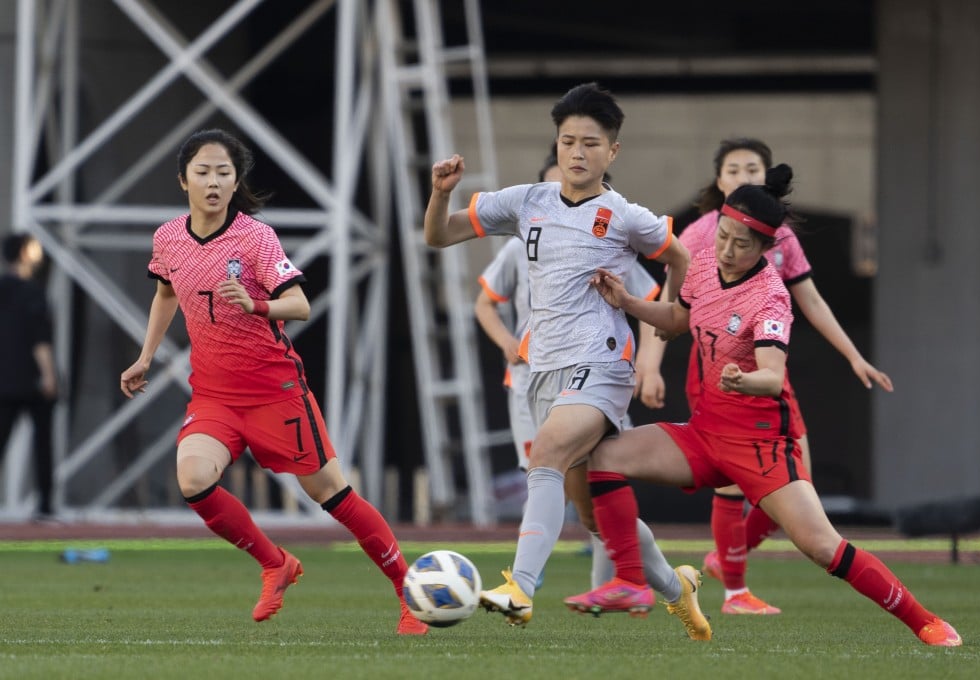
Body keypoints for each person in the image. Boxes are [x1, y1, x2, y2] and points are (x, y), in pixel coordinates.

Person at [566, 166, 961, 647]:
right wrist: (627, 300)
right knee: (601, 458)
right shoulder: (704, 265)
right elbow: (674, 319)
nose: (727, 251)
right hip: (704, 433)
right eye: (724, 237)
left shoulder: (772, 298)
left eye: (741, 244)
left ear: (766, 248)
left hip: (759, 446)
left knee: (821, 546)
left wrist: (744, 379)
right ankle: (631, 583)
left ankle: (925, 621)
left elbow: (773, 379)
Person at [426, 82, 710, 640]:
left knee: (548, 453)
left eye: (590, 143)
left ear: (613, 152)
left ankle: (520, 589)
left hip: (601, 365)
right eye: (567, 141)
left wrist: (674, 316)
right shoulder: (527, 201)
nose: (577, 153)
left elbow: (680, 255)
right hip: (542, 372)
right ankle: (680, 590)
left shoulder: (624, 215)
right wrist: (440, 194)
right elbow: (439, 237)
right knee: (592, 513)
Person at [119, 128, 428, 635]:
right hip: (215, 394)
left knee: (333, 495)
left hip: (275, 393)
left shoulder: (256, 238)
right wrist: (145, 356)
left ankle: (407, 591)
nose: (214, 182)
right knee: (194, 479)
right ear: (183, 180)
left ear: (236, 180)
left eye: (224, 172)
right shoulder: (168, 237)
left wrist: (257, 304)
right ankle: (274, 563)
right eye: (203, 172)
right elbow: (166, 294)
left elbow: (300, 305)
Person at [638, 137, 894, 615]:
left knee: (800, 486)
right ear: (719, 181)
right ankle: (735, 590)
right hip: (719, 369)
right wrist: (648, 365)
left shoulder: (778, 238)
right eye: (733, 169)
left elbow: (811, 301)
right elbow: (669, 307)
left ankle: (725, 560)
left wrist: (854, 356)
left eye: (753, 169)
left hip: (768, 371)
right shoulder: (699, 235)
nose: (743, 177)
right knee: (733, 479)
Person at [474, 147, 662, 588]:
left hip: (594, 371)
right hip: (531, 379)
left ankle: (531, 583)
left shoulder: (610, 235)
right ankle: (670, 585)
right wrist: (506, 343)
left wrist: (649, 367)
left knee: (587, 484)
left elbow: (654, 302)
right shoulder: (522, 240)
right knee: (564, 489)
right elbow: (484, 301)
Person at [0, 234, 58, 520]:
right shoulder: (33, 292)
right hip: (32, 381)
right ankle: (45, 506)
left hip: (4, 380)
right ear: (24, 252)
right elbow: (40, 339)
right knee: (43, 444)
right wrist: (49, 375)